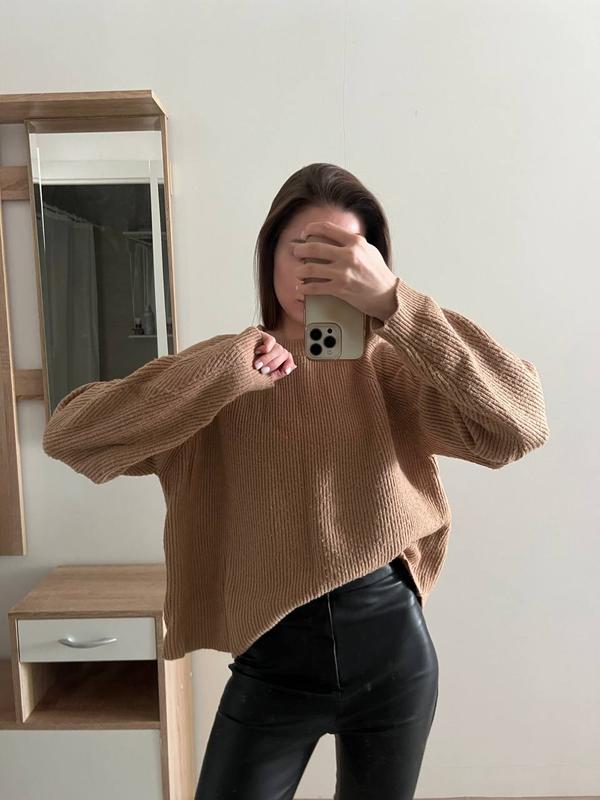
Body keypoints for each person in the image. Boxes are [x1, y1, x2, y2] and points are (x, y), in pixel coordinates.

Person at [42, 163, 550, 800]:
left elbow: (520, 424)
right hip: (272, 660)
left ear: (373, 262)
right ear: (270, 254)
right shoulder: (224, 373)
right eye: (306, 251)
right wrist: (225, 372)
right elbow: (71, 436)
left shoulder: (390, 367)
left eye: (345, 254)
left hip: (391, 651)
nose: (321, 272)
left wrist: (396, 303)